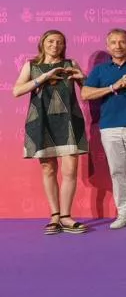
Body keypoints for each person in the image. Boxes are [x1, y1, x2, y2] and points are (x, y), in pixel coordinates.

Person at [13, 29, 89, 234]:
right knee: (48, 169)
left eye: (59, 42)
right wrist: (44, 77)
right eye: (51, 41)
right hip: (41, 122)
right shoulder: (32, 65)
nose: (55, 45)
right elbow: (17, 91)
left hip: (69, 122)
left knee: (70, 170)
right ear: (42, 43)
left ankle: (66, 216)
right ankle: (54, 215)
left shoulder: (70, 64)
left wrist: (83, 79)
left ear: (64, 46)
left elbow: (88, 92)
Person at [81, 28, 126, 229]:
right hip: (109, 127)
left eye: (122, 42)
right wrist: (114, 87)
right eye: (113, 42)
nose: (118, 46)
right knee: (117, 172)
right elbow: (85, 94)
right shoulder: (100, 70)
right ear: (107, 46)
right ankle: (123, 213)